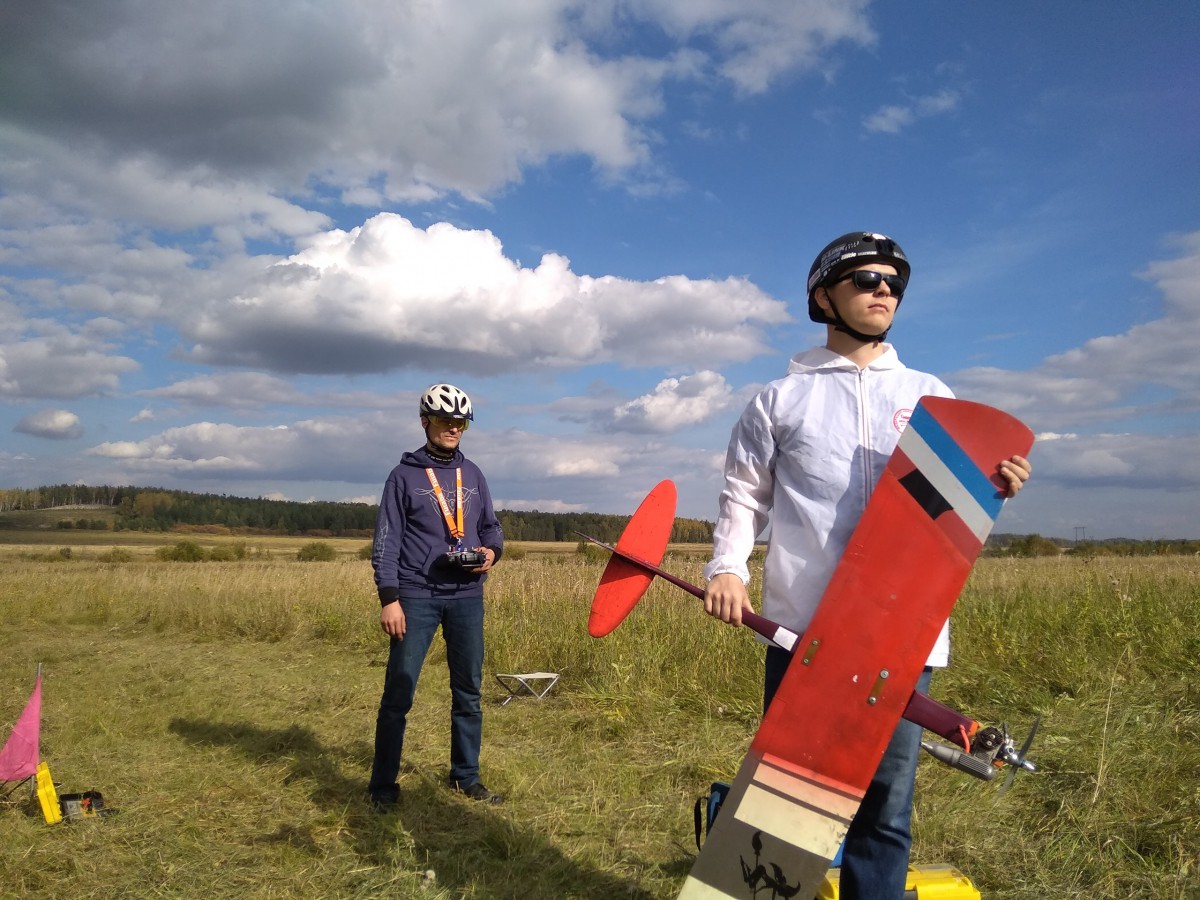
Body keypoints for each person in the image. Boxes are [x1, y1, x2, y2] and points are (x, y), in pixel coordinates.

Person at [702, 232, 1031, 898]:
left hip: (904, 636)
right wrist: (727, 566)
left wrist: (994, 488)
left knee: (886, 806)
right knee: (790, 804)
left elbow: (943, 524)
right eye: (867, 279)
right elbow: (743, 495)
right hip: (805, 630)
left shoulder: (931, 393)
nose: (885, 291)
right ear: (824, 296)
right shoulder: (779, 399)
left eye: (895, 283)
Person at [369, 383, 506, 809]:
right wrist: (389, 598)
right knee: (400, 692)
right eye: (445, 420)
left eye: (460, 422)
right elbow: (386, 541)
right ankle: (383, 785)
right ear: (425, 421)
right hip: (415, 595)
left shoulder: (474, 474)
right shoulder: (403, 476)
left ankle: (466, 777)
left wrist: (490, 552)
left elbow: (492, 528)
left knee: (469, 692)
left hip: (467, 596)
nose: (453, 428)